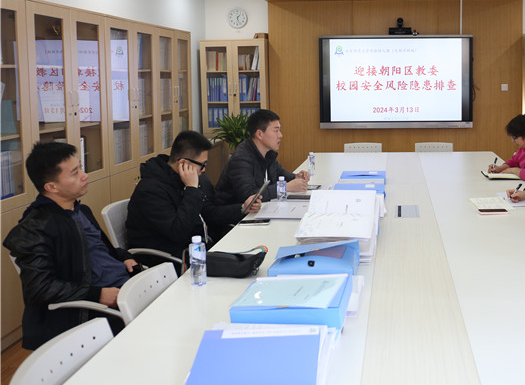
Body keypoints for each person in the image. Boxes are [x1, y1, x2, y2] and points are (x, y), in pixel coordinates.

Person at [3, 141, 139, 350]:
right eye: (75, 173)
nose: (85, 176)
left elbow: (100, 250)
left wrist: (124, 257)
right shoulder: (35, 229)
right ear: (52, 187)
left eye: (81, 168)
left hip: (126, 287)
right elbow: (39, 289)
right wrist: (97, 294)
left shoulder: (80, 210)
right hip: (95, 310)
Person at [126, 130, 261, 267]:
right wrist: (192, 190)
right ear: (183, 163)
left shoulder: (181, 180)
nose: (204, 170)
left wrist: (243, 208)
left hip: (196, 250)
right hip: (169, 261)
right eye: (202, 164)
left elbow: (208, 213)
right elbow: (178, 232)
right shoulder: (151, 190)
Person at [216, 109, 308, 204]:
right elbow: (248, 195)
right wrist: (284, 188)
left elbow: (280, 173)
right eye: (276, 131)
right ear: (259, 134)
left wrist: (296, 177)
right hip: (236, 211)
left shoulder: (267, 153)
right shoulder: (241, 159)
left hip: (260, 209)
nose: (280, 135)